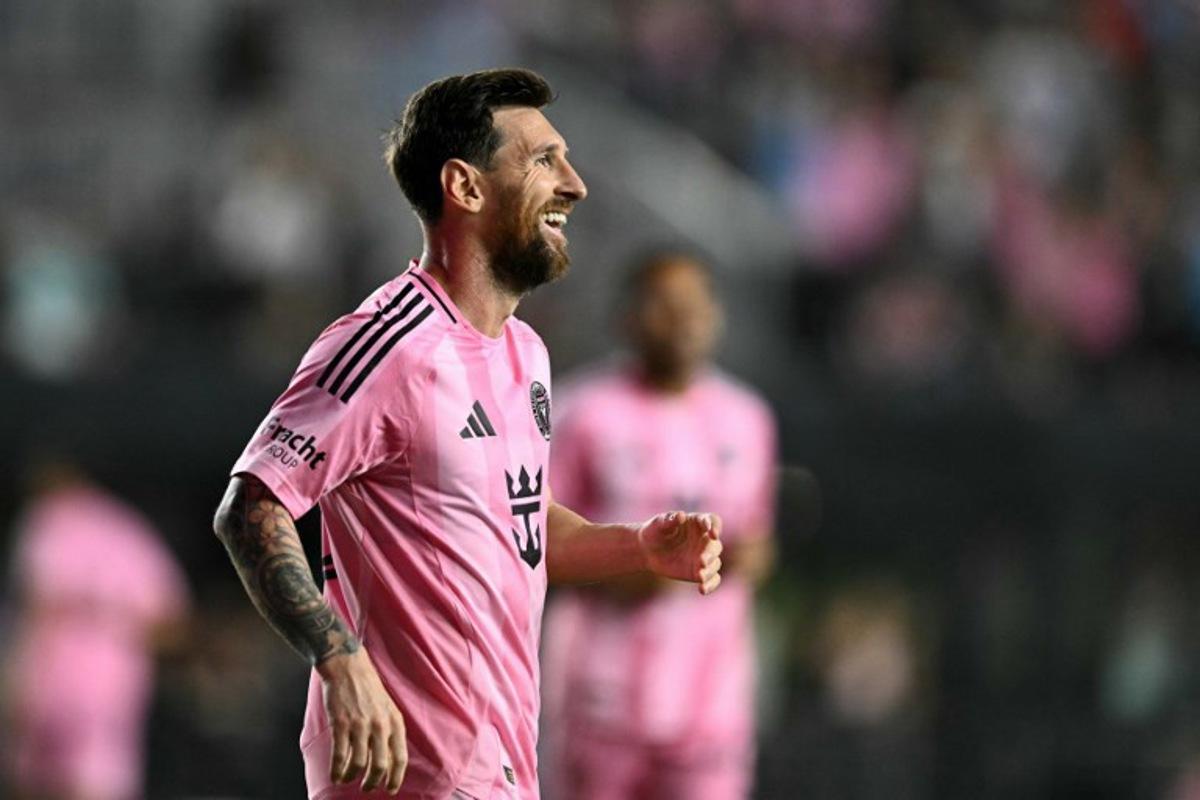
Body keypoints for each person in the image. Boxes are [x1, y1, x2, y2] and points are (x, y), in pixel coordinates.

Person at [212, 69, 724, 800]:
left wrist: (637, 547)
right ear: (465, 187)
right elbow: (252, 504)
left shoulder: (526, 354)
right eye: (543, 160)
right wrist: (341, 660)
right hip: (406, 772)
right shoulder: (390, 346)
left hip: (499, 769)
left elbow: (515, 529)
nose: (575, 184)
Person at [540, 250, 778, 800]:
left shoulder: (748, 417)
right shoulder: (583, 413)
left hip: (710, 707)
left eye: (694, 303)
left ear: (716, 314)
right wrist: (644, 566)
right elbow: (541, 546)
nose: (682, 318)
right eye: (663, 304)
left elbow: (758, 537)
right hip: (602, 700)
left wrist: (751, 557)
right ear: (627, 317)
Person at [5, 457, 190, 800]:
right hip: (112, 691)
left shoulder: (48, 519)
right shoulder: (129, 530)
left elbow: (36, 607)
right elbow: (172, 627)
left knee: (32, 785)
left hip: (48, 683)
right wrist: (115, 627)